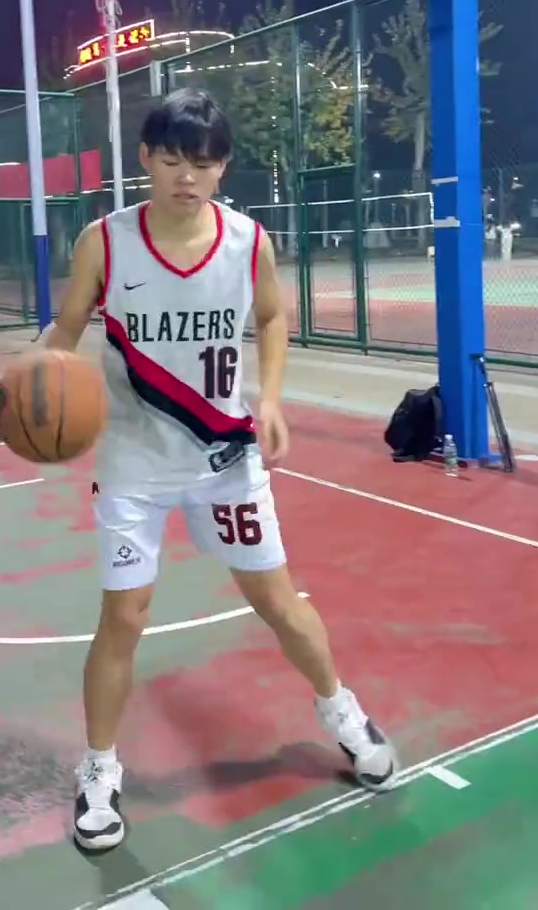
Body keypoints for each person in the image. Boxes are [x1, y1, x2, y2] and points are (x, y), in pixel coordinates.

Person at [42, 89, 397, 852]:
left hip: (225, 458)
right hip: (133, 463)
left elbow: (270, 316)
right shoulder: (105, 242)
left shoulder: (247, 242)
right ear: (145, 158)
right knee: (124, 616)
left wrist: (270, 396)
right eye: (172, 159)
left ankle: (341, 711)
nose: (187, 177)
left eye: (203, 164)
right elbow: (66, 328)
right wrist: (31, 382)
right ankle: (99, 768)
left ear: (223, 167)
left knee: (277, 600)